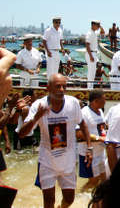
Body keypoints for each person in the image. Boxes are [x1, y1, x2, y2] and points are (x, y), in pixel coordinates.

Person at [19, 74, 93, 208]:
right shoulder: (39, 105)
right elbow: (22, 134)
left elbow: (83, 124)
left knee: (69, 199)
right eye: (58, 86)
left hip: (68, 161)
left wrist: (89, 147)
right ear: (48, 88)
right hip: (47, 161)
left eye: (64, 86)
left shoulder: (73, 103)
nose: (62, 90)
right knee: (48, 201)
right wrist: (36, 118)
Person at [76, 89, 107, 191]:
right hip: (88, 152)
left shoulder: (100, 111)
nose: (105, 102)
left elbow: (101, 128)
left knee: (104, 179)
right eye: (103, 100)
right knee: (93, 181)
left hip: (101, 151)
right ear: (95, 101)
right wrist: (99, 138)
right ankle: (79, 198)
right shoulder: (84, 113)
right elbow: (79, 134)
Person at [85, 20, 105, 89]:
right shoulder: (90, 33)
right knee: (91, 72)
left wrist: (101, 27)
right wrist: (90, 56)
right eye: (97, 25)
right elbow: (87, 45)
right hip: (91, 52)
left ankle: (90, 87)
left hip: (94, 53)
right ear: (93, 25)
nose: (98, 27)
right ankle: (89, 88)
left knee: (93, 72)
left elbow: (103, 33)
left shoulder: (95, 33)